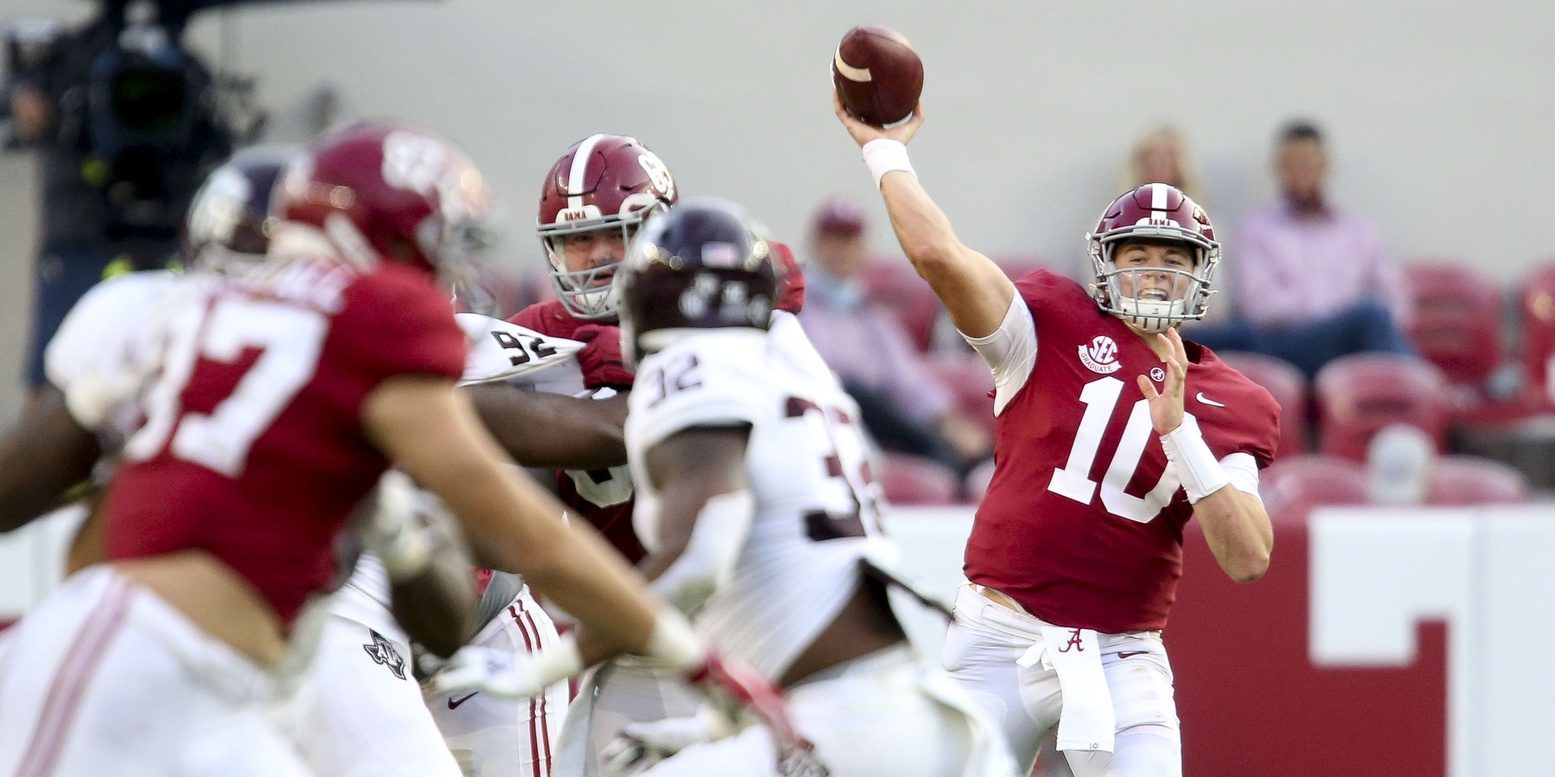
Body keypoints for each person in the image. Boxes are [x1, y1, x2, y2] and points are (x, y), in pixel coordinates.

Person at [0, 120, 785, 776]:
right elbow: (528, 532)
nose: (448, 267)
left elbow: (26, 478)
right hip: (145, 655)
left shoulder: (165, 308)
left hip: (223, 679)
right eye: (439, 239)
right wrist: (695, 656)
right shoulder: (368, 322)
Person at [439, 198, 1018, 777]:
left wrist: (551, 663)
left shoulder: (695, 364)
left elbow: (700, 556)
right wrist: (713, 726)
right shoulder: (799, 370)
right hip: (910, 708)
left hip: (838, 721)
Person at [833, 94, 1281, 777]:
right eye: (1137, 252)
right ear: (1106, 262)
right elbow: (937, 254)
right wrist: (884, 148)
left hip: (1122, 652)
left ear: (1200, 272)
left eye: (1174, 255)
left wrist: (1181, 434)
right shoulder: (1048, 324)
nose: (1154, 268)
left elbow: (1247, 557)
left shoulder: (1232, 401)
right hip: (997, 637)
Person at [3, 1, 230, 395]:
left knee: (172, 370)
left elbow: (209, 141)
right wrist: (24, 95)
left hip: (166, 238)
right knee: (55, 376)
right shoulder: (68, 58)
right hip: (82, 240)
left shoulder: (186, 64)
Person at [1188, 120, 1412, 378]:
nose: (1299, 173)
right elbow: (1259, 306)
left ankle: (1412, 390)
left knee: (1374, 318)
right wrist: (1336, 314)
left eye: (1306, 163)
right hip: (1285, 343)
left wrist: (1343, 321)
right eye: (1290, 165)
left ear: (1324, 165)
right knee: (1370, 316)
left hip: (1349, 340)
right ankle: (1423, 388)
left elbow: (1394, 299)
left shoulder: (1358, 230)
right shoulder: (1256, 230)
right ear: (1278, 169)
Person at [797, 194, 991, 474]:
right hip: (824, 417)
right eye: (834, 240)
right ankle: (941, 457)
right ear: (816, 245)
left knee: (939, 439)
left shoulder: (870, 314)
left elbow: (905, 377)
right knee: (853, 389)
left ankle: (946, 458)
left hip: (875, 419)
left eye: (850, 241)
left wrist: (948, 421)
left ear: (862, 249)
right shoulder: (797, 309)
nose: (842, 250)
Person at [1117, 125, 1204, 205]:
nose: (1162, 161)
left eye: (1170, 155)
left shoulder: (1194, 213)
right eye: (1153, 154)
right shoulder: (1122, 211)